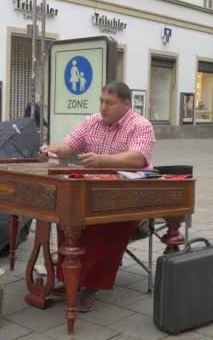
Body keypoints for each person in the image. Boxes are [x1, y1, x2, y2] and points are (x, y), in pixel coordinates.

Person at [39, 81, 155, 312]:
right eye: (101, 101)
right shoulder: (92, 121)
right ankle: (70, 277)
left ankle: (90, 285)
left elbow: (137, 158)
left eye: (109, 103)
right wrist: (51, 149)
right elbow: (70, 145)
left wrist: (103, 160)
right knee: (67, 216)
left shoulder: (141, 125)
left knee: (102, 224)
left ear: (125, 104)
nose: (103, 107)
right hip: (90, 191)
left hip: (125, 197)